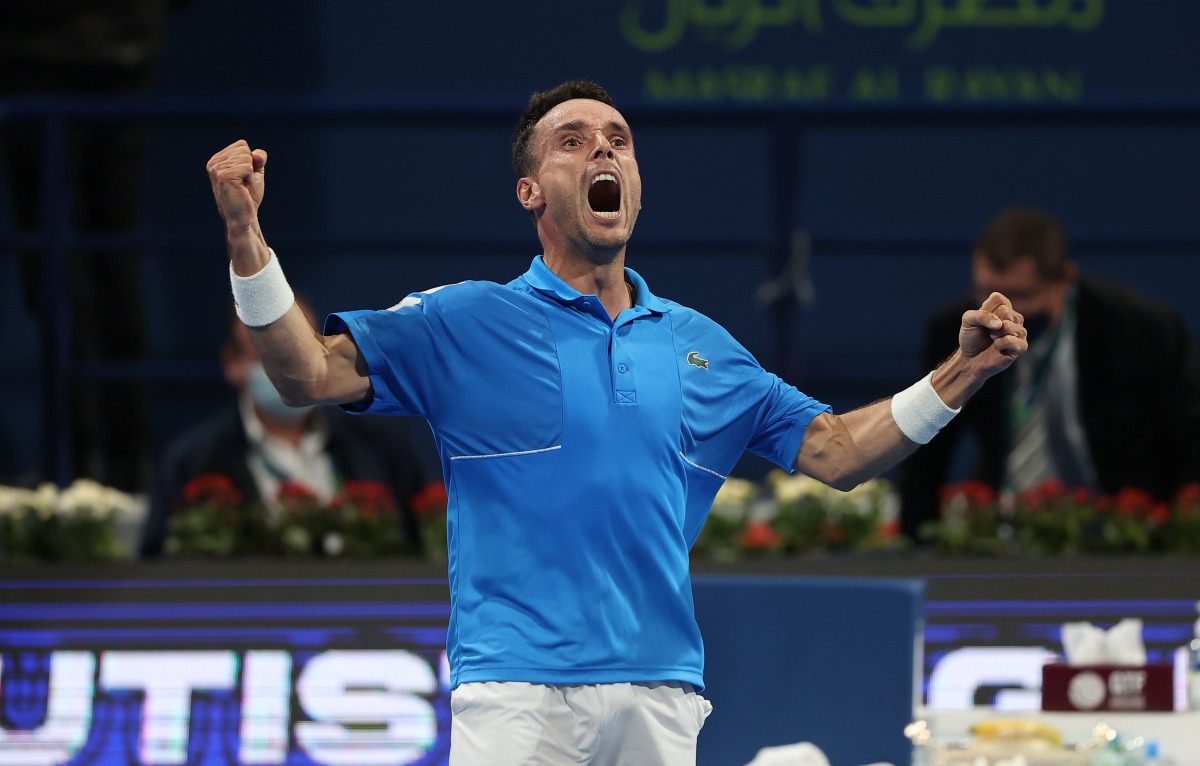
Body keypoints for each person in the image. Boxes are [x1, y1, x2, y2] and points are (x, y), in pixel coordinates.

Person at [205, 80, 1027, 765]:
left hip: (661, 695)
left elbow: (839, 453)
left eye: (619, 139)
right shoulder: (461, 322)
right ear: (529, 191)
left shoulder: (704, 348)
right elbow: (304, 372)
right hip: (516, 694)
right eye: (572, 141)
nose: (603, 150)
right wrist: (247, 236)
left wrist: (962, 373)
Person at [900, 206, 1200, 541]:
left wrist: (1178, 536)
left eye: (1021, 296)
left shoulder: (1143, 329)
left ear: (1064, 279)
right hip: (1003, 533)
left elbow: (1192, 440)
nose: (1000, 314)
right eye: (986, 292)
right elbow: (928, 448)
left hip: (1129, 533)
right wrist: (915, 545)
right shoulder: (955, 327)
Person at [0, 1, 194, 491]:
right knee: (101, 263)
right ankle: (112, 462)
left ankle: (87, 465)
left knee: (86, 265)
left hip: (45, 58)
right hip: (98, 57)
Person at [139, 298, 430, 559]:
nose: (290, 369)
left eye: (302, 351)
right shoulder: (191, 463)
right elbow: (159, 570)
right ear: (232, 363)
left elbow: (427, 549)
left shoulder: (382, 445)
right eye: (266, 354)